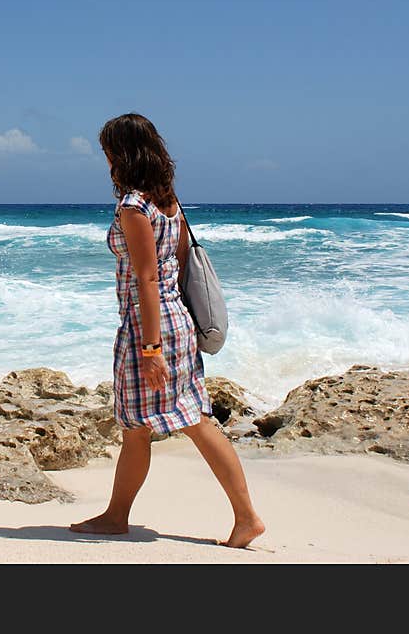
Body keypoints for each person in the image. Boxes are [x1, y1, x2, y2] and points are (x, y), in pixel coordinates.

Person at [69, 113, 265, 548]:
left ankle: (245, 516)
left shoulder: (135, 207)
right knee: (159, 425)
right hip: (176, 322)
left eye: (107, 152)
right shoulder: (168, 202)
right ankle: (118, 515)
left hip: (149, 328)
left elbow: (148, 278)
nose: (105, 161)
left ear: (121, 154)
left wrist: (152, 348)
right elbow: (173, 267)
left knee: (182, 424)